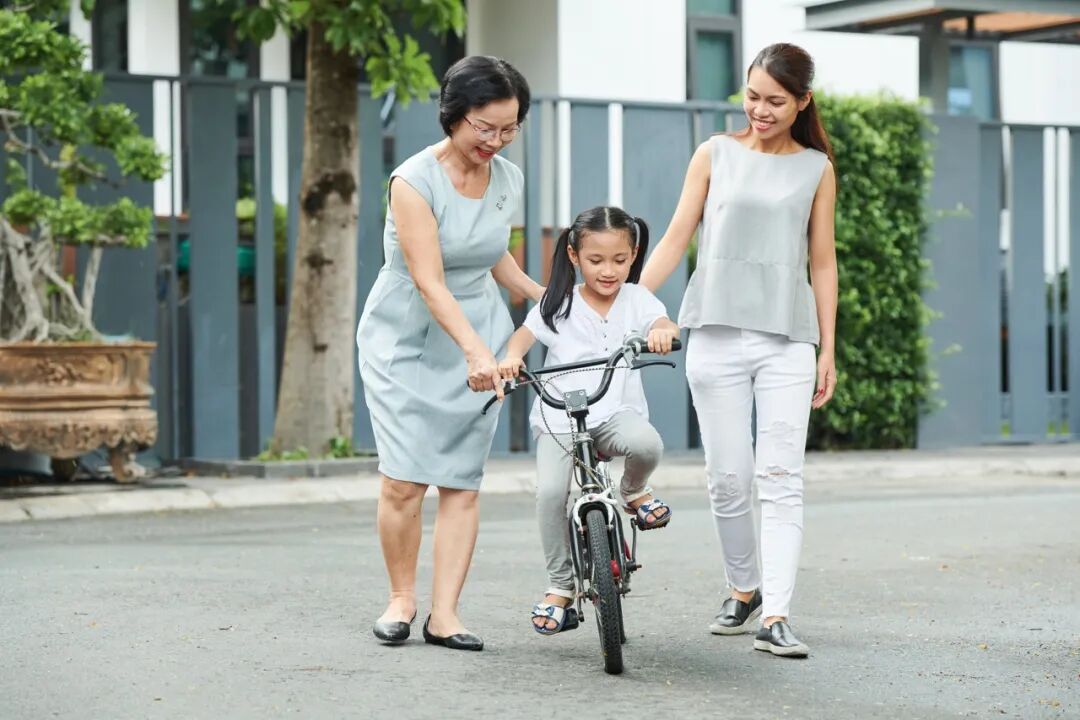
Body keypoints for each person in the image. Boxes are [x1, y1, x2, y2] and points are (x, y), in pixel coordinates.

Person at [640, 43, 839, 658]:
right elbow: (675, 237)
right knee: (729, 477)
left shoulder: (816, 168)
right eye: (752, 96)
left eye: (775, 100)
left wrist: (827, 348)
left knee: (780, 477)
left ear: (802, 102)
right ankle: (743, 588)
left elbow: (823, 261)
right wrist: (631, 306)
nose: (760, 109)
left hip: (787, 340)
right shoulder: (714, 154)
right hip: (715, 333)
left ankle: (776, 614)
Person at [356, 55, 542, 652]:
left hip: (479, 324)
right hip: (408, 336)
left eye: (509, 128)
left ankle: (446, 614)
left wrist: (545, 297)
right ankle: (401, 599)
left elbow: (490, 251)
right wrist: (475, 352)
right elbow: (430, 280)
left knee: (462, 481)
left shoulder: (508, 178)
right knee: (404, 480)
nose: (496, 140)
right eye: (485, 127)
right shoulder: (413, 181)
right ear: (454, 114)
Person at [498, 206, 680, 635]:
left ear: (633, 256)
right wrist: (511, 358)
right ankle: (560, 586)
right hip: (560, 418)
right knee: (550, 494)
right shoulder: (558, 301)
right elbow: (525, 335)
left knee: (647, 444)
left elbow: (663, 322)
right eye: (596, 260)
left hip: (614, 412)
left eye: (619, 260)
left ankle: (632, 491)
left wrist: (662, 333)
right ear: (574, 255)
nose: (608, 270)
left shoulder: (637, 299)